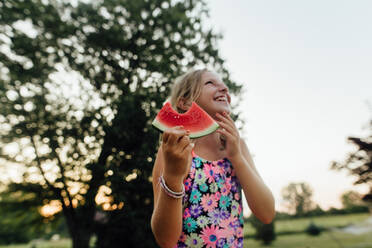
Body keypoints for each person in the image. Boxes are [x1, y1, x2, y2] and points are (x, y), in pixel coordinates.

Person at [151, 69, 275, 248]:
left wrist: (236, 157)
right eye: (210, 83)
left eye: (223, 84)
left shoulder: (238, 146)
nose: (224, 88)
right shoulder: (173, 151)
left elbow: (267, 213)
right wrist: (173, 176)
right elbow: (165, 240)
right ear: (185, 102)